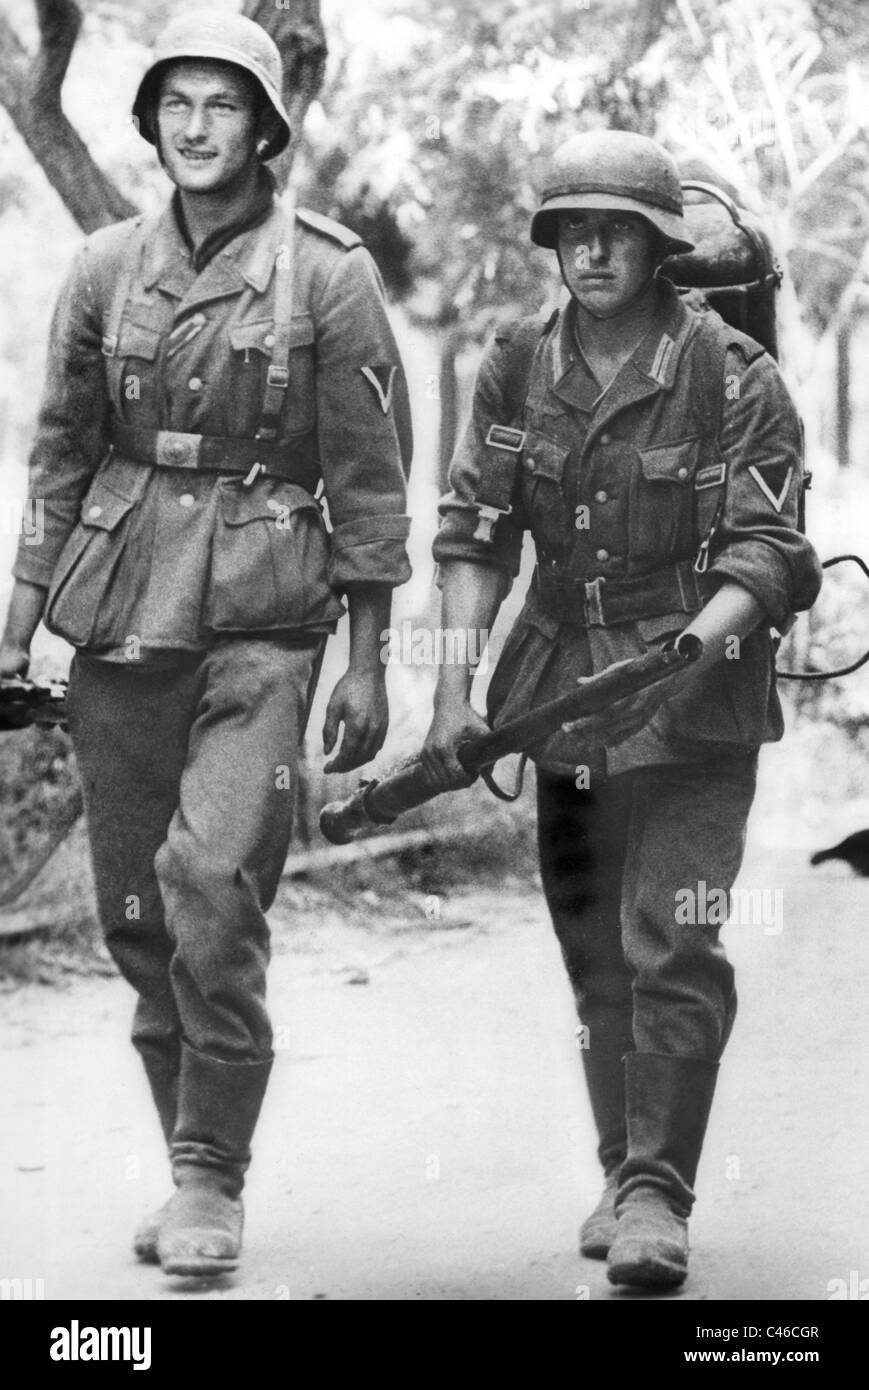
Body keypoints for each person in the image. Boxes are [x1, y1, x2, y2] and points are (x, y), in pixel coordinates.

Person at [0, 10, 411, 1278]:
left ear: (264, 124)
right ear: (149, 121)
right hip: (122, 616)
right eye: (174, 104)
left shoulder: (329, 274)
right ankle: (191, 1143)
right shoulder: (107, 267)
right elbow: (62, 456)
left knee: (214, 888)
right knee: (137, 913)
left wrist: (368, 658)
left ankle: (206, 1178)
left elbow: (371, 482)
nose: (194, 127)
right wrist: (14, 631)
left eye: (220, 105)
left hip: (265, 622)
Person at [422, 130, 821, 1289]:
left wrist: (680, 656)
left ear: (659, 246)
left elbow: (766, 551)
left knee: (675, 937)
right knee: (594, 946)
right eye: (571, 230)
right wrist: (451, 685)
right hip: (558, 692)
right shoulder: (514, 365)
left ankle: (658, 1188)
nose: (592, 250)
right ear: (552, 245)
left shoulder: (733, 375)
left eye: (617, 230)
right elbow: (475, 534)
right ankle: (619, 1163)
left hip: (697, 691)